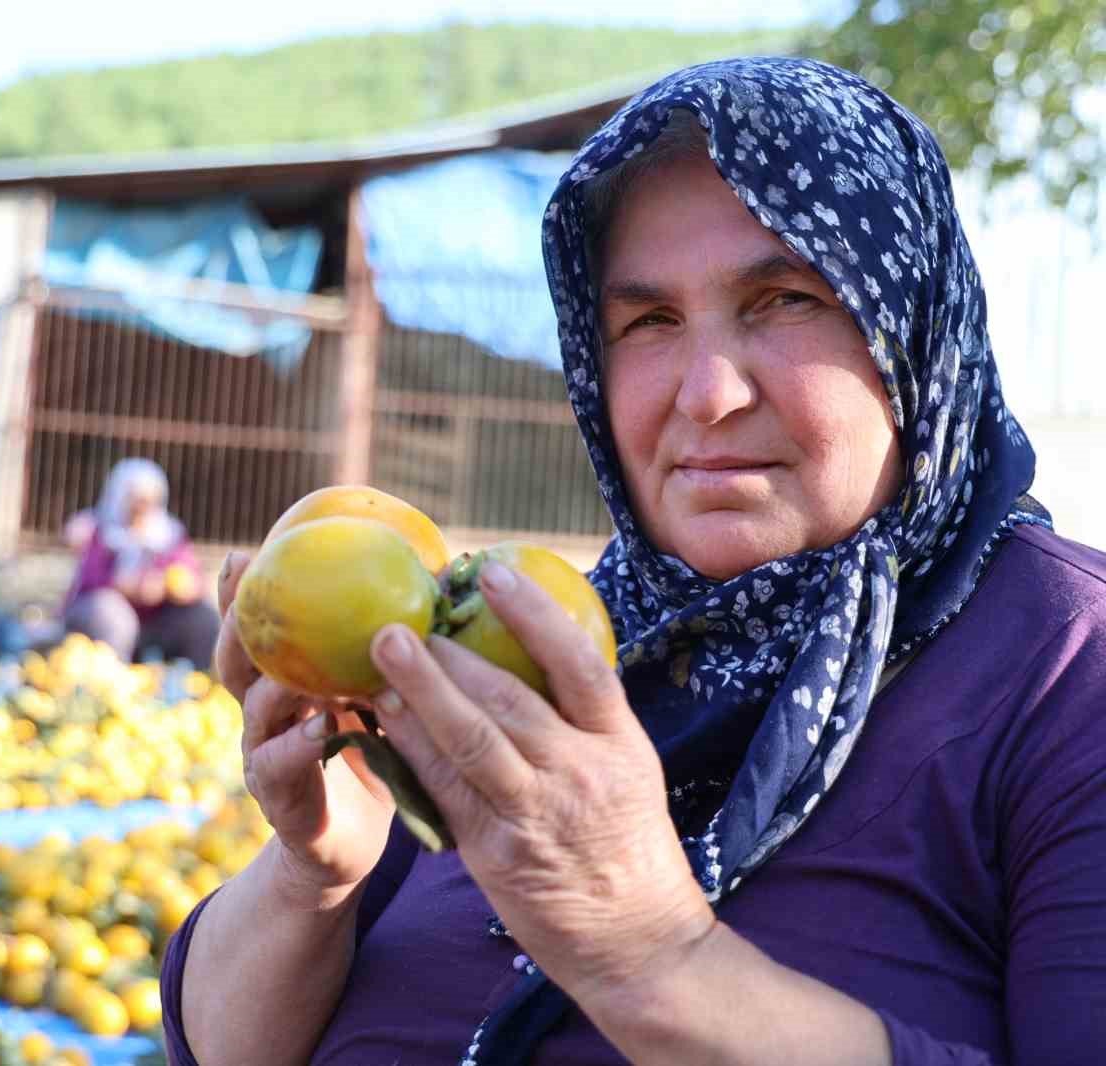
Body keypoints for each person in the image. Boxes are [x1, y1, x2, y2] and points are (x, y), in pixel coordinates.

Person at [162, 57, 1106, 1066]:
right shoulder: (541, 634)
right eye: (647, 321)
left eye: (783, 298)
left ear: (907, 321)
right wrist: (320, 876)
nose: (704, 395)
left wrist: (652, 954)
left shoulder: (1064, 671)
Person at [62, 459, 221, 670]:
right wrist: (125, 586)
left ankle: (194, 681)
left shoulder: (169, 535)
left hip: (157, 621)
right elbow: (91, 579)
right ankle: (111, 682)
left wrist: (170, 588)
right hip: (106, 621)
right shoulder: (101, 530)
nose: (142, 508)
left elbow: (192, 576)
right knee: (111, 613)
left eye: (148, 501)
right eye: (136, 500)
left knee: (203, 617)